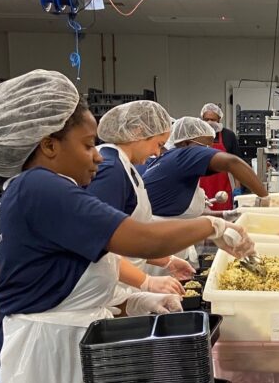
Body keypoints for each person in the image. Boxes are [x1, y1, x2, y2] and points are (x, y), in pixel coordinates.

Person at [0, 70, 256, 383]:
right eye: (87, 145)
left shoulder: (50, 190)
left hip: (50, 367)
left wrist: (136, 302)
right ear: (48, 145)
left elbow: (71, 287)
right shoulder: (40, 188)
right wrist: (211, 226)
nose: (98, 157)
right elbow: (139, 240)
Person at [86, 100, 195, 285]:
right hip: (108, 284)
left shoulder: (125, 166)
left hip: (121, 281)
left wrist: (167, 261)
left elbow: (127, 237)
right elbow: (98, 242)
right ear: (138, 132)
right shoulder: (111, 169)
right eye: (158, 144)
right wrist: (145, 282)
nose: (157, 153)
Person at [144, 116, 268, 219]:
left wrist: (226, 214)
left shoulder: (169, 163)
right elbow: (233, 163)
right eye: (205, 147)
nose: (208, 151)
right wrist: (266, 200)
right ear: (185, 143)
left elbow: (184, 212)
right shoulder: (182, 155)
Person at [198, 103, 242, 211]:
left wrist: (237, 187)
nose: (209, 122)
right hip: (200, 188)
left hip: (222, 190)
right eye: (206, 119)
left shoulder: (228, 136)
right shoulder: (196, 135)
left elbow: (237, 164)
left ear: (219, 120)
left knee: (223, 219)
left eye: (213, 120)